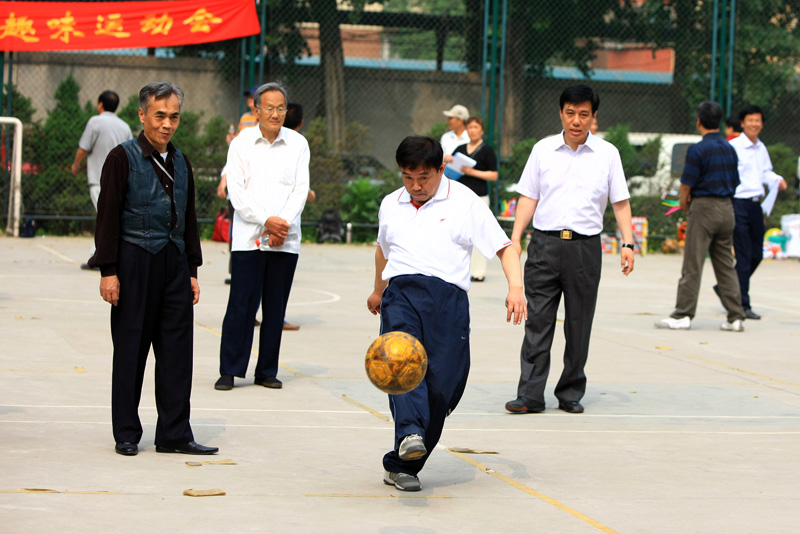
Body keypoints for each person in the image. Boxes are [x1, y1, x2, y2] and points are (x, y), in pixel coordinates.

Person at [367, 136, 526, 492]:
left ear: (441, 169)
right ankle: (408, 431)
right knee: (401, 362)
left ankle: (402, 464)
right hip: (402, 294)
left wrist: (516, 288)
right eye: (408, 177)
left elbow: (504, 247)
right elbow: (383, 250)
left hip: (448, 302)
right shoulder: (391, 203)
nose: (416, 186)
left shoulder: (465, 202)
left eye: (423, 177)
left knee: (443, 389)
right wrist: (379, 289)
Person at [88, 82, 217, 457]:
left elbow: (188, 218)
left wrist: (192, 269)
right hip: (133, 263)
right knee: (130, 350)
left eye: (173, 116)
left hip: (174, 264)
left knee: (177, 352)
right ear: (142, 115)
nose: (167, 124)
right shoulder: (122, 157)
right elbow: (107, 217)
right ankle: (127, 432)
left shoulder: (181, 160)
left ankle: (174, 433)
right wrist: (108, 270)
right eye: (159, 116)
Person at [505, 84, 635, 415]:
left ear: (594, 116)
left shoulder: (607, 154)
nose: (576, 121)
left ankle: (571, 391)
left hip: (585, 249)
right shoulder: (543, 150)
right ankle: (530, 394)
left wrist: (628, 242)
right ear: (561, 113)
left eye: (584, 114)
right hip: (544, 245)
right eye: (570, 113)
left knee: (578, 322)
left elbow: (620, 203)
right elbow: (528, 196)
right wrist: (516, 237)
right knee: (537, 321)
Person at [215, 83, 310, 391]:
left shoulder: (297, 144)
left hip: (285, 239)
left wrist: (282, 224)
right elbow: (237, 192)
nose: (275, 114)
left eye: (281, 108)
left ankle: (267, 369)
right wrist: (267, 221)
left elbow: (299, 190)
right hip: (248, 238)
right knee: (241, 305)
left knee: (275, 307)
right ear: (255, 110)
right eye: (269, 108)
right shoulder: (241, 143)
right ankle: (230, 369)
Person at [655, 101, 746, 332]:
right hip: (727, 209)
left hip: (704, 208)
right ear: (720, 122)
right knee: (726, 264)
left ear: (698, 121)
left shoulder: (697, 150)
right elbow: (735, 182)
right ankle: (736, 316)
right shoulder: (729, 148)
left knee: (693, 263)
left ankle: (683, 314)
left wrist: (685, 205)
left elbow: (686, 185)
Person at [725, 105, 788, 320]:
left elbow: (766, 172)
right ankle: (742, 304)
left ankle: (726, 286)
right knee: (743, 256)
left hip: (756, 205)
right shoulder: (733, 146)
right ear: (742, 123)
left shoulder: (761, 148)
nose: (754, 124)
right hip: (738, 203)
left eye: (758, 121)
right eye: (750, 120)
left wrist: (777, 180)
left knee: (757, 254)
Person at [71, 90, 133, 269]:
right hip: (122, 181)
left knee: (106, 218)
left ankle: (101, 257)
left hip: (99, 179)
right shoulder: (125, 126)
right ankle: (99, 255)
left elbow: (83, 148)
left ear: (100, 104)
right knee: (112, 218)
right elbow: (131, 153)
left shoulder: (95, 122)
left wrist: (76, 165)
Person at [451, 116, 498, 282]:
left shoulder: (487, 151)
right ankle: (460, 269)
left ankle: (478, 271)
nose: (472, 130)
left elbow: (493, 175)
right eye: (470, 127)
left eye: (476, 127)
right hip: (460, 196)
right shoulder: (460, 148)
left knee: (479, 234)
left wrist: (473, 172)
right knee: (459, 233)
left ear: (482, 131)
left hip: (479, 197)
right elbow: (451, 169)